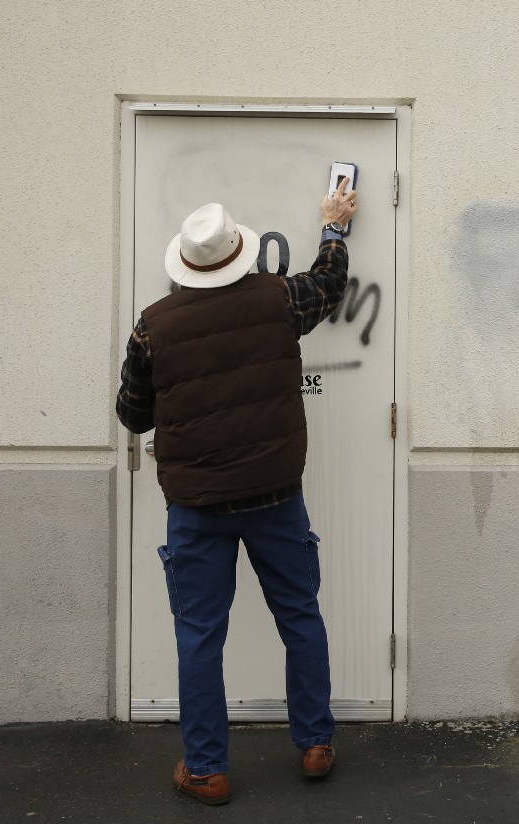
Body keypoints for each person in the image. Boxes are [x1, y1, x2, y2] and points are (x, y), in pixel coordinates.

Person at [116, 179, 357, 805]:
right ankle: (315, 744)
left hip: (196, 510)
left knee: (199, 635)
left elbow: (133, 415)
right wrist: (333, 226)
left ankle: (207, 770)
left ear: (186, 264)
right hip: (275, 497)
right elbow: (329, 286)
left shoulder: (154, 326)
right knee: (300, 617)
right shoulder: (278, 299)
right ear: (240, 251)